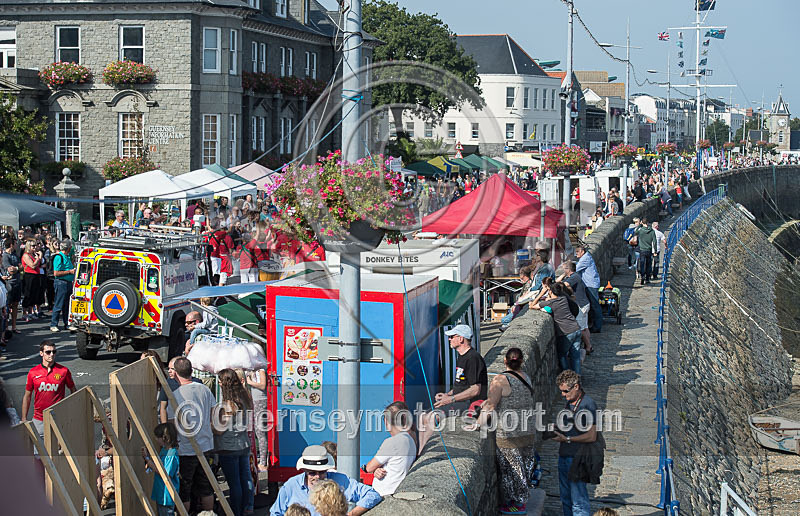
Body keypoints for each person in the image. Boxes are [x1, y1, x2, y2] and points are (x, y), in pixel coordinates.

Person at [470, 348, 536, 514]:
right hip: (527, 430)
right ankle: (521, 499)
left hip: (508, 434)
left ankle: (518, 504)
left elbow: (491, 405)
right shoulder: (526, 377)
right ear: (521, 361)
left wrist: (477, 424)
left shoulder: (500, 380)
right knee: (525, 467)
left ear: (505, 361)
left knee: (511, 469)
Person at [269, 444, 382, 516]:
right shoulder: (291, 486)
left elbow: (372, 495)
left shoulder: (340, 480)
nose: (318, 477)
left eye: (322, 472)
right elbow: (275, 513)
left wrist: (351, 514)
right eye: (312, 473)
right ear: (304, 470)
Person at [166, 357, 217, 513]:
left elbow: (171, 423)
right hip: (206, 446)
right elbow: (213, 413)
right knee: (206, 487)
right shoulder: (204, 389)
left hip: (186, 449)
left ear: (175, 374)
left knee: (184, 491)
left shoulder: (175, 395)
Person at [549, 370, 599, 516]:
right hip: (565, 456)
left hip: (578, 459)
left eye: (565, 391)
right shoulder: (570, 403)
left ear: (576, 387)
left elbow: (591, 436)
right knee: (566, 498)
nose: (563, 395)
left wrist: (568, 439)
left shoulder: (588, 405)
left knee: (578, 501)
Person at [213, 368, 253, 516]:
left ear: (224, 383)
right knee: (245, 479)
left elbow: (219, 429)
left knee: (234, 483)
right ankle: (248, 507)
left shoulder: (228, 405)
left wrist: (210, 423)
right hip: (243, 443)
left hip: (229, 447)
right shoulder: (245, 397)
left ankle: (236, 511)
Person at [21, 340, 76, 437]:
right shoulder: (33, 372)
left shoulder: (64, 371)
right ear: (41, 353)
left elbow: (73, 391)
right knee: (38, 450)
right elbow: (27, 396)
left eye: (54, 352)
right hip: (39, 419)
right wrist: (24, 418)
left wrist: (70, 410)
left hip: (58, 418)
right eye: (48, 352)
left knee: (58, 450)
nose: (51, 354)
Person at [364, 401, 417, 497]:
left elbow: (369, 468)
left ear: (386, 422)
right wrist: (376, 470)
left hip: (384, 493)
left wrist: (372, 469)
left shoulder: (391, 442)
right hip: (398, 489)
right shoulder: (411, 438)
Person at [433, 325, 487, 412]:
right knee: (426, 414)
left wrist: (450, 399)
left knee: (428, 417)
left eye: (451, 337)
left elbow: (475, 390)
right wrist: (447, 395)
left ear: (461, 339)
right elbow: (462, 385)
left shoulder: (473, 358)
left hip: (469, 404)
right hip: (460, 401)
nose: (449, 339)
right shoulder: (462, 357)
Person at [532, 281, 582, 373]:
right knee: (575, 357)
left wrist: (541, 294)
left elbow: (532, 306)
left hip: (567, 332)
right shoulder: (563, 299)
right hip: (576, 328)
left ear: (550, 292)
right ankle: (577, 380)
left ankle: (567, 376)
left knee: (562, 354)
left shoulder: (550, 303)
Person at [142, 422, 180, 516]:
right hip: (161, 492)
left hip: (167, 495)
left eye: (157, 437)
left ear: (164, 438)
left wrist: (148, 461)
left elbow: (165, 473)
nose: (156, 439)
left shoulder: (172, 454)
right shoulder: (164, 450)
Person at [560, 261, 592, 354]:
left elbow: (562, 285)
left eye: (564, 269)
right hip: (584, 304)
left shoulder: (574, 277)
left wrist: (563, 275)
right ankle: (588, 345)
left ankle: (588, 346)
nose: (562, 270)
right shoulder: (575, 276)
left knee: (581, 328)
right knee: (585, 328)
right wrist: (564, 274)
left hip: (581, 306)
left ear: (568, 269)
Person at [50, 240, 76, 333]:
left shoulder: (67, 257)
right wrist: (69, 272)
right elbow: (56, 273)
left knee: (66, 305)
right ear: (68, 248)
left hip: (68, 283)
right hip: (61, 283)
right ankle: (54, 324)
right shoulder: (59, 257)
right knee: (59, 303)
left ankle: (67, 323)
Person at [574, 246, 602, 333]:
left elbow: (575, 269)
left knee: (595, 305)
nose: (576, 254)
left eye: (577, 252)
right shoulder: (586, 257)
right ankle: (593, 324)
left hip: (591, 284)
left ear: (582, 251)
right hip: (589, 283)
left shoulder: (585, 259)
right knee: (592, 306)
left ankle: (597, 326)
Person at [246, 367, 269, 471]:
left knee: (261, 432)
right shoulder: (253, 370)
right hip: (256, 400)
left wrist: (250, 382)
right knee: (258, 431)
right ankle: (263, 459)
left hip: (260, 400)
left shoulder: (260, 370)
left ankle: (264, 462)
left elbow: (263, 385)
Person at [21, 240, 45, 321]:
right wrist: (39, 257)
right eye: (33, 246)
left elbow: (40, 264)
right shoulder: (26, 255)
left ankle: (30, 312)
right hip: (29, 276)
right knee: (28, 294)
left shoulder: (34, 254)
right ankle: (24, 313)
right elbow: (32, 265)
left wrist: (38, 258)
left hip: (36, 275)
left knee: (34, 294)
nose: (35, 247)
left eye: (35, 246)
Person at [1, 238, 21, 334]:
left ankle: (14, 326)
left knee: (15, 305)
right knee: (7, 306)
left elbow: (21, 266)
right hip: (9, 283)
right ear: (11, 245)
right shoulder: (5, 256)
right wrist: (17, 268)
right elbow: (10, 270)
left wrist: (17, 268)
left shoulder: (15, 255)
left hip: (17, 281)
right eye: (15, 243)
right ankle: (6, 328)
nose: (17, 245)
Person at [635, 218, 656, 286]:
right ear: (648, 223)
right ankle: (647, 278)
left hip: (642, 250)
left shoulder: (641, 231)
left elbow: (635, 232)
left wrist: (639, 225)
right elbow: (654, 242)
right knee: (648, 264)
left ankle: (642, 276)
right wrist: (655, 251)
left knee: (642, 263)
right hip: (649, 250)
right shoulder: (652, 231)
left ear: (642, 223)